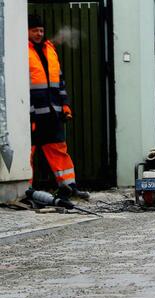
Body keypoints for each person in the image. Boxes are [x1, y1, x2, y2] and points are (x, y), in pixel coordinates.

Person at [28, 14, 88, 201]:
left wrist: (65, 105)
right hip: (32, 114)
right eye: (34, 30)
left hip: (53, 112)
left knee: (59, 150)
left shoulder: (50, 50)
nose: (39, 33)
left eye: (41, 30)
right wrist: (28, 113)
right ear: (27, 31)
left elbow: (59, 82)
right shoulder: (20, 51)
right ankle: (25, 190)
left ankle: (69, 187)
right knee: (27, 153)